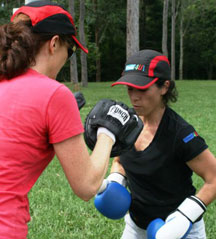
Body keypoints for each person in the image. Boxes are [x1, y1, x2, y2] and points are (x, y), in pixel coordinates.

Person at [0, 1, 142, 238]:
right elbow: (86, 186)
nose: (68, 58)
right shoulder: (54, 95)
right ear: (54, 43)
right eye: (71, 50)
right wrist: (108, 133)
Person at [106, 49, 216, 239]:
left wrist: (185, 217)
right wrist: (116, 180)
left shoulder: (180, 134)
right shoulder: (125, 124)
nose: (134, 97)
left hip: (182, 231)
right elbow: (120, 160)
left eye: (142, 88)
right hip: (136, 226)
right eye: (130, 88)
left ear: (164, 87)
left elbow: (213, 178)